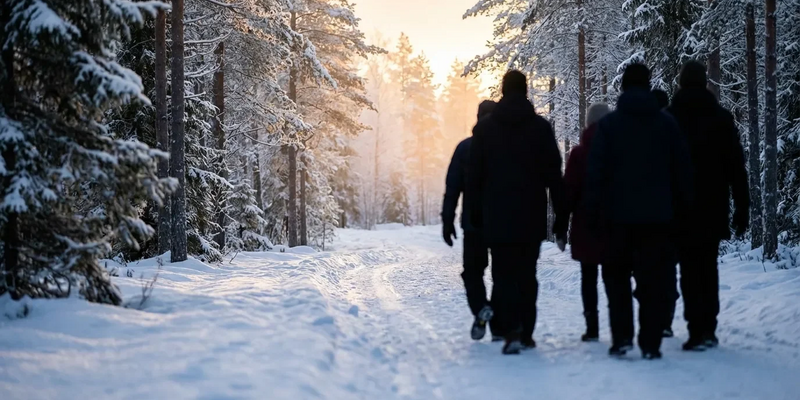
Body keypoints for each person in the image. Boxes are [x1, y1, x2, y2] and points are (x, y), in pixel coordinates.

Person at [584, 63, 693, 360]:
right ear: (647, 85)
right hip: (657, 219)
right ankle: (650, 342)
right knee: (653, 281)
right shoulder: (667, 125)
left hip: (616, 218)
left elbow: (595, 174)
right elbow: (682, 173)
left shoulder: (609, 126)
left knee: (616, 279)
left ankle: (622, 338)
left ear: (622, 87)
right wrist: (682, 212)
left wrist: (593, 213)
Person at [467, 70, 566, 355]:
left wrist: (475, 213)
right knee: (527, 273)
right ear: (526, 91)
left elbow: (474, 176)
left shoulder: (485, 130)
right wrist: (561, 216)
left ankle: (509, 329)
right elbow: (554, 176)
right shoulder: (540, 128)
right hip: (530, 215)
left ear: (502, 90)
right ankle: (526, 331)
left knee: (503, 274)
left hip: (496, 216)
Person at [668, 61, 750, 351]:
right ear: (705, 83)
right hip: (713, 206)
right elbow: (736, 167)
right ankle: (709, 327)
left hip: (680, 208)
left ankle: (696, 328)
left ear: (680, 83)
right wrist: (742, 207)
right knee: (708, 265)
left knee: (689, 267)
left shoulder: (670, 118)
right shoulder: (721, 118)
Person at [442, 100, 499, 342]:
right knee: (502, 274)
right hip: (502, 223)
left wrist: (447, 219)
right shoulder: (506, 147)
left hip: (472, 223)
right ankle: (498, 324)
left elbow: (452, 187)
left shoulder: (465, 147)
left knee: (473, 272)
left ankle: (481, 308)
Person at [563, 102, 610, 342]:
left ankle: (592, 327)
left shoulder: (579, 154)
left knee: (588, 277)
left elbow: (569, 192)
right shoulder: (619, 151)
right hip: (615, 224)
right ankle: (620, 327)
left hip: (586, 224)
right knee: (615, 277)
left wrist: (561, 224)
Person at [652, 88, 679, 338]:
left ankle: (653, 314)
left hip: (645, 213)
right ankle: (666, 317)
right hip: (672, 212)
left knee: (648, 266)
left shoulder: (642, 130)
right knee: (668, 266)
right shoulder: (674, 129)